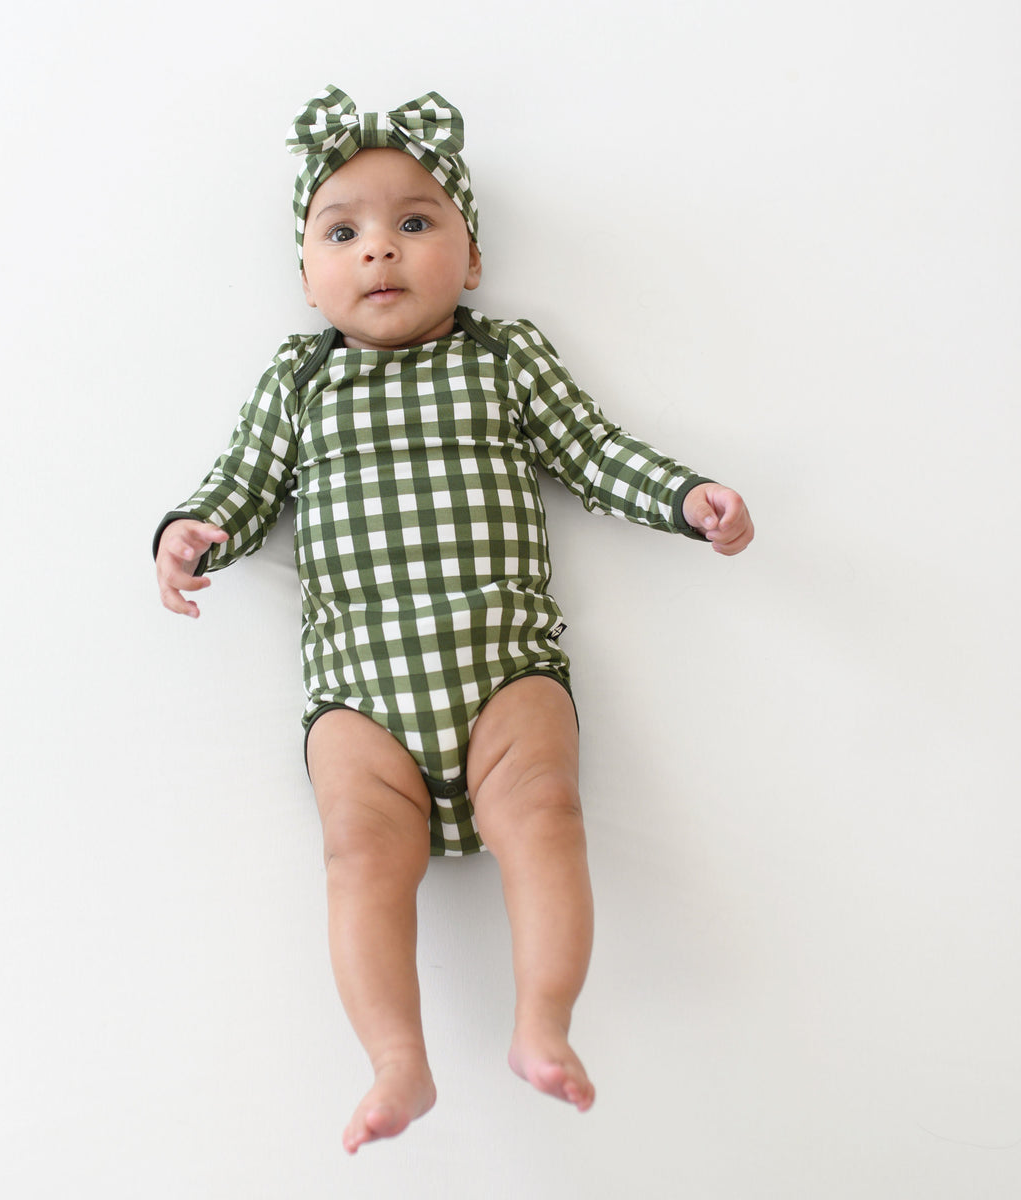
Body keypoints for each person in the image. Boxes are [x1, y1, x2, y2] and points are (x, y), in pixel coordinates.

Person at [153, 86, 754, 1155]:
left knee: (545, 812)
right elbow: (241, 484)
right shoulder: (300, 382)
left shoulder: (506, 358)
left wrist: (685, 497)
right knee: (356, 853)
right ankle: (396, 1057)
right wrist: (196, 531)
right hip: (360, 688)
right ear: (306, 277)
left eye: (415, 222)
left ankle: (544, 1022)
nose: (379, 251)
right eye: (343, 233)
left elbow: (596, 452)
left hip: (503, 666)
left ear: (470, 259)